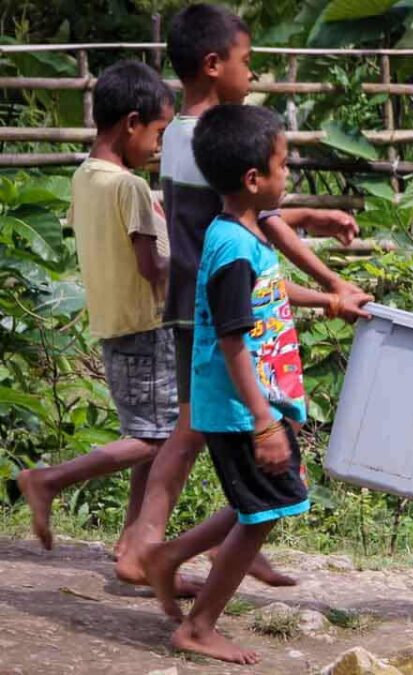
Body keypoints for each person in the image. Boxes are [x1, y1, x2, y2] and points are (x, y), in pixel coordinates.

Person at [114, 3, 371, 590]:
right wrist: (333, 285)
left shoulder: (183, 136)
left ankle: (230, 544)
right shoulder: (208, 133)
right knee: (190, 431)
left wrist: (312, 216)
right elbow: (269, 223)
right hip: (202, 306)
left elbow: (250, 213)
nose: (251, 74)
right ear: (213, 65)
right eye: (246, 62)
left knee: (198, 428)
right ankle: (142, 547)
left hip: (191, 296)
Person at [143, 104, 360, 664]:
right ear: (254, 179)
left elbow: (266, 298)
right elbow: (234, 341)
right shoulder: (233, 248)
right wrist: (264, 422)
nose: (289, 177)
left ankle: (172, 556)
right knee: (265, 511)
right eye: (284, 165)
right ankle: (197, 626)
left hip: (255, 402)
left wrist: (330, 300)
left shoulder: (241, 234)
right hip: (244, 408)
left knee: (264, 503)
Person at [18, 61, 176, 558]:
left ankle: (133, 538)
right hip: (146, 323)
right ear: (132, 123)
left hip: (112, 324)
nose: (158, 146)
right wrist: (193, 261)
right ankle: (49, 480)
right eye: (158, 132)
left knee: (147, 433)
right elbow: (152, 267)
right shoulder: (128, 187)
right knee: (161, 439)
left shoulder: (86, 178)